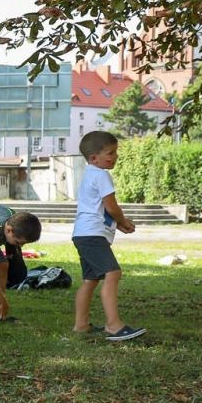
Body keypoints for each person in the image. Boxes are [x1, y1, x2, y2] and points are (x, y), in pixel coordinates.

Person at [71, 130, 145, 341]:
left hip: (83, 233)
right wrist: (122, 221)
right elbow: (110, 206)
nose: (115, 157)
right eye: (111, 153)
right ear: (94, 158)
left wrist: (118, 224)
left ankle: (81, 325)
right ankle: (113, 325)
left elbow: (100, 208)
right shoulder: (101, 175)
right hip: (92, 235)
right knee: (112, 274)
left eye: (116, 152)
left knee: (90, 279)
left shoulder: (89, 174)